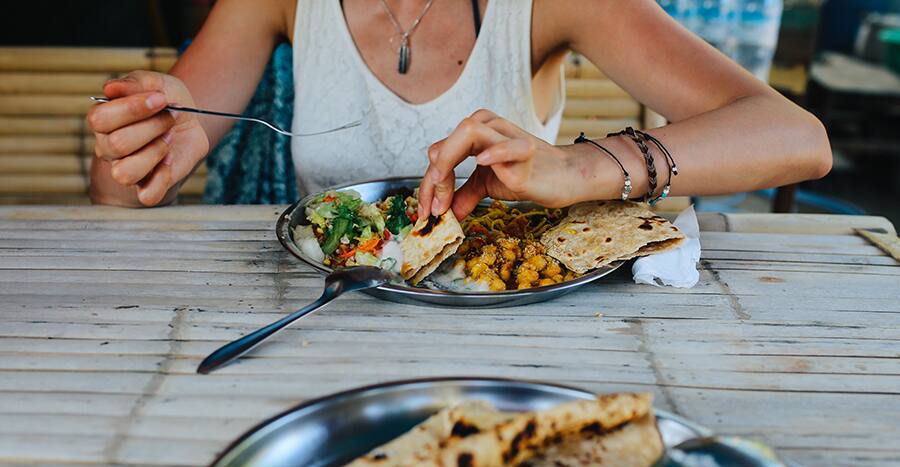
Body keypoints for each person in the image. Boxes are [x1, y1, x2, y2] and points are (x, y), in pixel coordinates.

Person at [87, 0, 831, 219]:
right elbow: (124, 198)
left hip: (510, 321)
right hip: (324, 323)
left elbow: (795, 138)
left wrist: (580, 166)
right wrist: (138, 140)